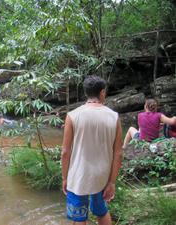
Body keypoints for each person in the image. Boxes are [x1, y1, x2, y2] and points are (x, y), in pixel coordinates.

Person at [61, 75, 122, 225]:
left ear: (86, 93)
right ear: (102, 92)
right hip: (102, 176)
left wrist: (64, 178)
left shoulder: (72, 116)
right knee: (102, 212)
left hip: (78, 176)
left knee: (79, 218)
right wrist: (112, 182)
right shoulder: (114, 117)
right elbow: (118, 154)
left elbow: (65, 152)